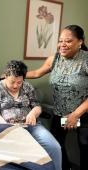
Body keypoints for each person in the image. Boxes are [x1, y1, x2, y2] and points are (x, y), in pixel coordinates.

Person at [26, 25, 88, 170]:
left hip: (84, 115)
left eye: (68, 41)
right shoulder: (54, 59)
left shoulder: (85, 60)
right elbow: (36, 73)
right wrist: (14, 74)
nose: (63, 45)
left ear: (80, 42)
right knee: (56, 145)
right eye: (60, 41)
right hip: (61, 113)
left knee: (85, 148)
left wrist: (75, 115)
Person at [0, 60, 62, 170]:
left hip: (31, 126)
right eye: (12, 82)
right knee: (19, 153)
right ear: (5, 76)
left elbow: (37, 106)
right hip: (9, 128)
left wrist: (33, 113)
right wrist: (4, 124)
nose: (15, 85)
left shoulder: (27, 86)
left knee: (55, 147)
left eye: (19, 82)